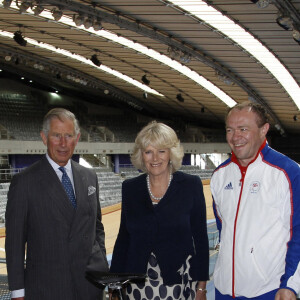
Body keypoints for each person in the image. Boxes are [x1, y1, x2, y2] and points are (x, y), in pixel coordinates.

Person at [5, 108, 109, 300]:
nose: (63, 143)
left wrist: (101, 265)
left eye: (69, 135)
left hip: (90, 287)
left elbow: (97, 227)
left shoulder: (89, 176)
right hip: (47, 288)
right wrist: (18, 291)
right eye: (56, 136)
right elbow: (14, 242)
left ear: (77, 139)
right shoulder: (24, 182)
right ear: (44, 138)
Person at [110, 121, 209, 300]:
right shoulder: (131, 188)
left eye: (161, 151)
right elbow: (123, 239)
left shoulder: (190, 185)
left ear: (171, 153)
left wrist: (201, 288)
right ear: (142, 155)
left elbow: (201, 240)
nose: (155, 158)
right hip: (137, 285)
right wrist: (115, 286)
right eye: (149, 152)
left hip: (178, 283)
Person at [211, 101, 300, 300]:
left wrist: (290, 285)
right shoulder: (220, 175)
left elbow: (299, 233)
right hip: (224, 290)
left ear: (263, 130)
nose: (235, 137)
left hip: (269, 291)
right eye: (230, 130)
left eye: (243, 129)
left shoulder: (288, 173)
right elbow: (223, 230)